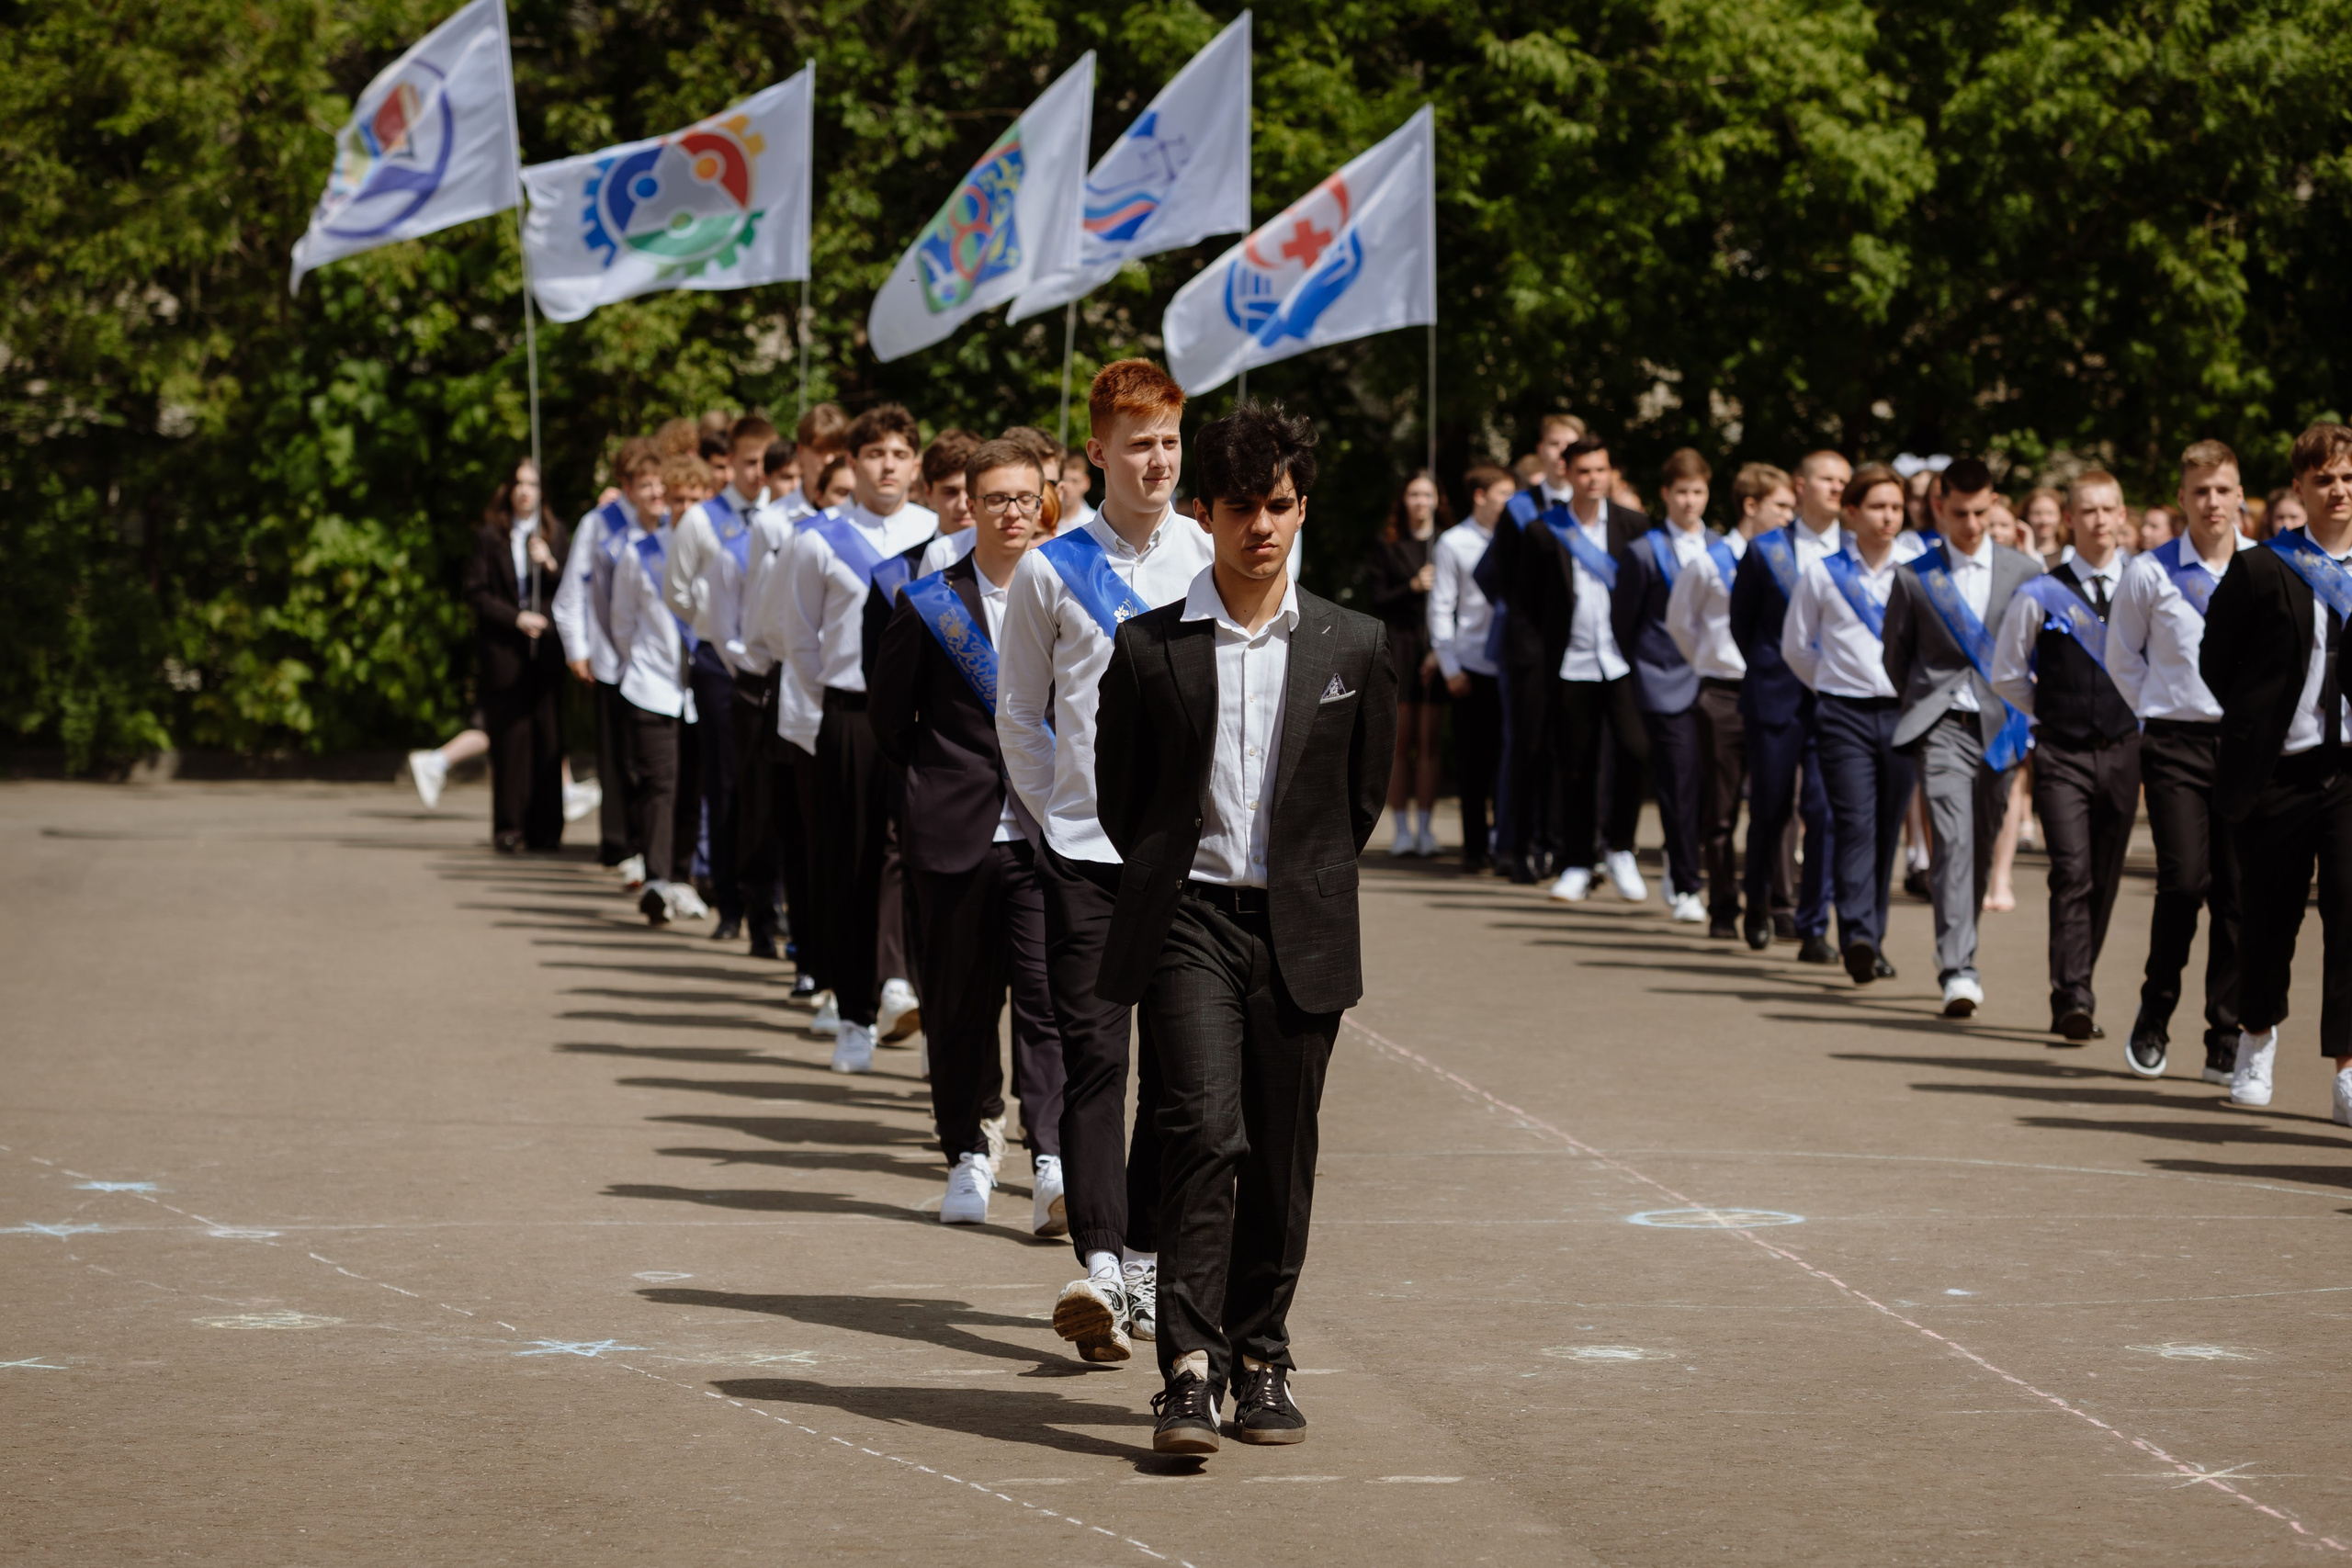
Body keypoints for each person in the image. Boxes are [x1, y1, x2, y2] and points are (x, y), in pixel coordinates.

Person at [1092, 400, 1394, 1455]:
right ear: (1203, 514)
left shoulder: (1355, 643)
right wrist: (1187, 882)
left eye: (1277, 507)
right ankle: (1185, 1369)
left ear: (1300, 510)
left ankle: (1261, 1359)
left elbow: (1360, 804)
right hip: (1188, 922)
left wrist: (1298, 883)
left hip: (1300, 931)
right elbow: (1123, 799)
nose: (1259, 528)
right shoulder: (1146, 648)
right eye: (1238, 509)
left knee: (1280, 1154)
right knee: (1202, 1132)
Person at [1002, 361, 1251, 1365]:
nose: (1156, 461)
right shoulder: (1049, 570)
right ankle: (1101, 1266)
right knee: (1097, 1059)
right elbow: (1020, 712)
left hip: (1186, 862)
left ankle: (1145, 1254)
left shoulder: (1209, 555)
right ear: (1096, 452)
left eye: (1169, 443)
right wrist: (1063, 806)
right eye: (1137, 443)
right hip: (1081, 858)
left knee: (1183, 1082)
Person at [871, 436, 1067, 1234]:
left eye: (1028, 498)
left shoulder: (1071, 590)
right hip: (953, 830)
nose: (1013, 512)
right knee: (957, 1004)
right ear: (970, 507)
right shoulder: (929, 601)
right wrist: (932, 789)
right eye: (997, 499)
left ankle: (1052, 1152)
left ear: (1043, 503)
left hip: (1045, 833)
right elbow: (891, 720)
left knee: (1049, 997)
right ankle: (969, 1149)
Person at [2200, 423, 2352, 1122]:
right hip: (2280, 771)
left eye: (2348, 477)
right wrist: (2258, 720)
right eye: (2324, 478)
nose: (2339, 490)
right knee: (2268, 919)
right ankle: (2255, 1037)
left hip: (2349, 772)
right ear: (2299, 487)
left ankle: (2348, 1066)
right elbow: (2217, 659)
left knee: (2350, 921)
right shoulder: (2265, 566)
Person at [782, 404, 938, 1069]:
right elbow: (799, 638)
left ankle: (910, 989)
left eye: (900, 453)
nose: (888, 466)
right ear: (851, 463)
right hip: (848, 716)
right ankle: (851, 1011)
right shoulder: (818, 538)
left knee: (925, 863)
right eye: (874, 454)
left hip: (924, 722)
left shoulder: (938, 536)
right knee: (847, 863)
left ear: (915, 463)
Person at [2106, 443, 2249, 1080]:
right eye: (2200, 491)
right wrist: (2160, 708)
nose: (2212, 502)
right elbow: (2121, 656)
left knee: (2237, 894)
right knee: (2185, 881)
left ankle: (2225, 1033)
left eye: (2222, 489)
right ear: (2182, 496)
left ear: (2240, 491)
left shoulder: (2266, 567)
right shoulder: (2150, 571)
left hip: (2247, 748)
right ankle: (2154, 1010)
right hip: (2174, 745)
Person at [1878, 458, 2039, 1014]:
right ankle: (1958, 966)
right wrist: (1926, 704)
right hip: (1942, 727)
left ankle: (1961, 948)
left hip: (2001, 727)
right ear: (1940, 507)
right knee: (1953, 840)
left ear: (1994, 505)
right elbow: (1894, 655)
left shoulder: (2025, 571)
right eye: (1960, 512)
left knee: (1985, 834)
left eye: (1980, 511)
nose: (1971, 524)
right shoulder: (1914, 575)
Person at [1992, 470, 2136, 1040]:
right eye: (2089, 511)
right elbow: (2008, 672)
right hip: (2062, 753)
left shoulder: (2143, 585)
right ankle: (2072, 995)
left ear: (2123, 515)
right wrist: (2049, 712)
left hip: (2126, 750)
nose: (2101, 521)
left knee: (2103, 876)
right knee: (2071, 872)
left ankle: (2081, 976)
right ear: (2070, 520)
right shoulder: (2040, 591)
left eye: (2110, 509)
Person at [1486, 434, 1650, 903]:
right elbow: (1524, 607)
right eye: (1584, 471)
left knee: (1635, 751)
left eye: (1601, 470)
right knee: (1575, 766)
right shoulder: (1543, 530)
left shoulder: (1634, 525)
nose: (1593, 479)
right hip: (1568, 664)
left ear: (1610, 472)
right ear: (1568, 474)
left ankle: (1620, 847)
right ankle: (1577, 860)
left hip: (1622, 663)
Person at [1785, 464, 1916, 986]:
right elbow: (1797, 646)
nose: (1889, 517)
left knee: (1887, 829)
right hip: (1843, 715)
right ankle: (1857, 935)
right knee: (1855, 824)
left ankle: (1874, 938)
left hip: (1903, 714)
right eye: (1878, 507)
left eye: (1897, 508)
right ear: (1852, 513)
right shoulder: (1823, 571)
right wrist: (1833, 684)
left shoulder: (1916, 568)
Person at [666, 415, 778, 944]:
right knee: (727, 784)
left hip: (773, 666)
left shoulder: (781, 517)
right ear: (730, 461)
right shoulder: (702, 520)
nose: (758, 473)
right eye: (749, 462)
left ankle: (770, 902)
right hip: (720, 666)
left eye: (765, 461)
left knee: (771, 787)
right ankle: (729, 901)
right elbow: (678, 592)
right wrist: (714, 627)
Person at [1733, 451, 1848, 961]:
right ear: (1801, 486)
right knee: (1771, 808)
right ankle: (1756, 903)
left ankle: (1813, 924)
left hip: (1833, 699)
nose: (1837, 488)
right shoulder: (1765, 550)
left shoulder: (1852, 549)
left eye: (1845, 481)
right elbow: (1743, 623)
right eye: (1828, 479)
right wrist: (1767, 673)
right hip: (1776, 699)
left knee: (1823, 812)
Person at [1669, 461, 1789, 938]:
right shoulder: (1709, 561)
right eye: (1781, 506)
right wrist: (1710, 661)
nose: (1788, 516)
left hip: (1772, 694)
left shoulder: (1788, 559)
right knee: (1719, 808)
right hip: (1721, 693)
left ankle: (1777, 903)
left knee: (1778, 801)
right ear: (1751, 505)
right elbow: (1681, 622)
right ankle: (1722, 905)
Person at [1613, 448, 1724, 922]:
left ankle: (1692, 871)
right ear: (1665, 494)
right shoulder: (1643, 551)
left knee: (1712, 785)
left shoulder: (1723, 547)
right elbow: (1625, 622)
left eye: (1698, 491)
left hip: (1716, 679)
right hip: (1663, 679)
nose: (1690, 501)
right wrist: (1646, 670)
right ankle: (1685, 884)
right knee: (1677, 782)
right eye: (1681, 492)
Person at [1479, 413, 1586, 882]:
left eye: (1572, 445)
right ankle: (1515, 848)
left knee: (1573, 750)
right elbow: (1494, 574)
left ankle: (1566, 849)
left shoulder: (1591, 512)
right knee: (1527, 747)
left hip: (1582, 648)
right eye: (1555, 444)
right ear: (1541, 451)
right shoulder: (1520, 508)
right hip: (1530, 649)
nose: (1562, 454)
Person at [609, 457, 711, 924]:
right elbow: (623, 622)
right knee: (660, 784)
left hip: (704, 688)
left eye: (695, 500)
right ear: (665, 503)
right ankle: (656, 879)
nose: (686, 509)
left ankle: (683, 878)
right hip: (653, 687)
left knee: (692, 786)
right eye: (678, 500)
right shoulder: (640, 552)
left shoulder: (719, 553)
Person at [553, 437, 661, 883]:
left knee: (649, 757)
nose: (646, 490)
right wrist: (577, 649)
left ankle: (650, 843)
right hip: (610, 658)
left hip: (654, 659)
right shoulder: (599, 523)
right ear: (624, 483)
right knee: (616, 755)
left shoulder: (667, 519)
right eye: (638, 482)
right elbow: (573, 590)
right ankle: (619, 842)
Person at [458, 458, 571, 852]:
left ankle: (547, 830)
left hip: (548, 653)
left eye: (533, 484)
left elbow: (573, 588)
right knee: (511, 741)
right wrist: (516, 618)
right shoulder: (490, 537)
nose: (526, 491)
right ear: (509, 489)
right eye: (519, 483)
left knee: (548, 737)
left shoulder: (555, 535)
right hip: (507, 654)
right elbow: (477, 593)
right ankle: (509, 827)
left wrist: (551, 564)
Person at [1363, 472, 1451, 857]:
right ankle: (1400, 829)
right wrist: (1412, 586)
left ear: (1436, 500)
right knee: (1401, 742)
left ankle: (1427, 828)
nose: (1420, 502)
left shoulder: (1446, 544)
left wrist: (1442, 651)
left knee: (1430, 742)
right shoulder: (1387, 543)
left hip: (1436, 649)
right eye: (1413, 494)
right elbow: (1376, 599)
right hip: (1399, 647)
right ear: (1404, 500)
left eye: (1426, 495)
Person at [1430, 465, 1512, 873]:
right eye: (1503, 495)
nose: (1511, 505)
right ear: (1480, 496)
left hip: (1510, 664)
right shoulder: (1454, 543)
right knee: (1473, 762)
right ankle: (1475, 847)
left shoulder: (1516, 538)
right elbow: (1441, 606)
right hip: (1472, 663)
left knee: (1507, 759)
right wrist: (1451, 668)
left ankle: (1505, 842)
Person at [2023, 488, 2066, 566]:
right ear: (2027, 515)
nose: (2044, 521)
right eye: (2037, 513)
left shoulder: (2070, 556)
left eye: (2050, 513)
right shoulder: (2015, 555)